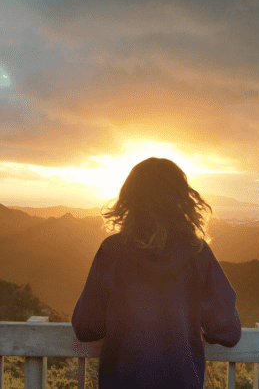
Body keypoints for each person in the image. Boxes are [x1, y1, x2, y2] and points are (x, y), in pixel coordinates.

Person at [72, 157, 242, 389]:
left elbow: (86, 328)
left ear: (130, 199)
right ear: (181, 200)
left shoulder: (112, 251)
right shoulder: (197, 253)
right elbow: (228, 332)